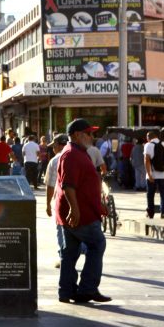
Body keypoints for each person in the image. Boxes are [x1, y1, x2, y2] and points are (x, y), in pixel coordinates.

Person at [54, 118, 110, 304]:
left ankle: (67, 291)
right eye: (89, 133)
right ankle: (87, 289)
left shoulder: (79, 152)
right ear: (77, 135)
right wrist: (75, 210)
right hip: (81, 214)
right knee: (97, 244)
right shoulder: (71, 154)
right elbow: (68, 185)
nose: (92, 137)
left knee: (70, 254)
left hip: (78, 211)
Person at [44, 133, 69, 269]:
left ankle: (63, 257)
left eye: (53, 146)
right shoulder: (81, 155)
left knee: (61, 228)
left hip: (62, 201)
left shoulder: (55, 161)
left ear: (59, 145)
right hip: (79, 201)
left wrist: (48, 204)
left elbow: (51, 185)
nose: (52, 148)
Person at [143, 130, 164, 219]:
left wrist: (149, 174)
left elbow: (146, 160)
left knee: (150, 194)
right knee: (163, 194)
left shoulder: (148, 145)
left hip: (152, 175)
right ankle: (163, 212)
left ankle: (151, 212)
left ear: (148, 138)